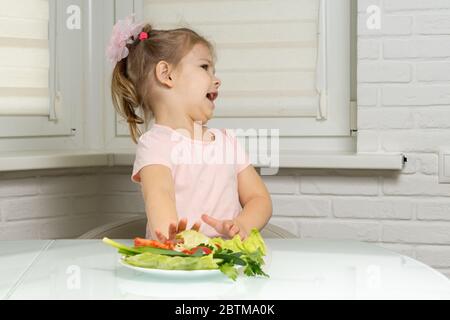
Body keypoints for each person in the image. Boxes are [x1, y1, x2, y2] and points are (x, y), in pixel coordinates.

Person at [107, 14, 272, 242]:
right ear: (167, 74)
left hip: (227, 263)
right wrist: (169, 236)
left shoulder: (227, 142)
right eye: (205, 67)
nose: (216, 79)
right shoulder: (156, 145)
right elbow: (159, 195)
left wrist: (243, 224)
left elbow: (259, 198)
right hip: (179, 262)